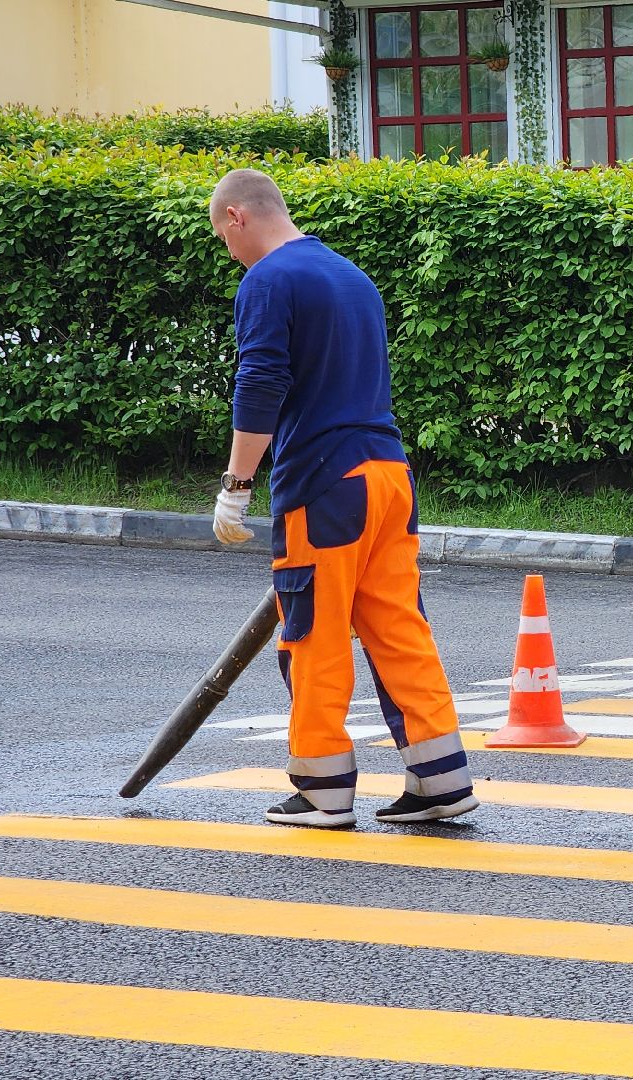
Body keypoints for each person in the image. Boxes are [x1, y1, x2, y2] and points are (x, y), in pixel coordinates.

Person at [209, 167, 478, 829]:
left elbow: (261, 382)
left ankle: (323, 788)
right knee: (398, 631)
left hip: (325, 485)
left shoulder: (268, 280)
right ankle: (441, 780)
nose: (229, 251)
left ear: (238, 216)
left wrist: (237, 486)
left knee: (313, 635)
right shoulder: (352, 276)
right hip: (388, 477)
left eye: (223, 237)